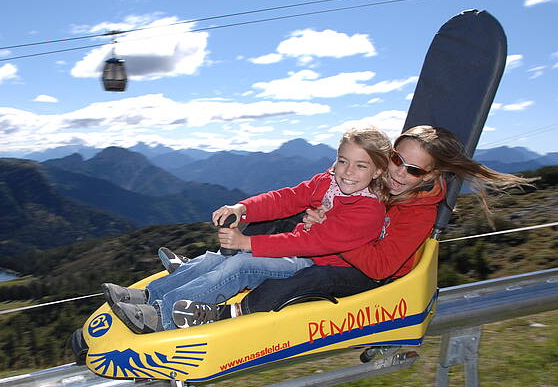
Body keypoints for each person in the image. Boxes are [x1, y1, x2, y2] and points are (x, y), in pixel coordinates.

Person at [173, 124, 534, 325]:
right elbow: (294, 197)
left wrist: (334, 232)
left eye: (412, 169)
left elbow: (380, 265)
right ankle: (207, 267)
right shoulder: (374, 179)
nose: (398, 171)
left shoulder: (421, 211)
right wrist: (245, 209)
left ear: (432, 174)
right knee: (280, 222)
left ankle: (230, 314)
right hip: (335, 248)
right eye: (395, 158)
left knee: (312, 278)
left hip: (370, 275)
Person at [101, 126, 392, 333]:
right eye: (342, 161)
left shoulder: (368, 210)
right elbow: (287, 198)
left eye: (360, 166)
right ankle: (151, 296)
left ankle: (163, 317)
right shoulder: (326, 181)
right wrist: (243, 208)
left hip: (315, 264)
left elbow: (312, 243)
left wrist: (247, 243)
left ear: (378, 171)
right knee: (218, 259)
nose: (347, 172)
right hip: (301, 250)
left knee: (241, 264)